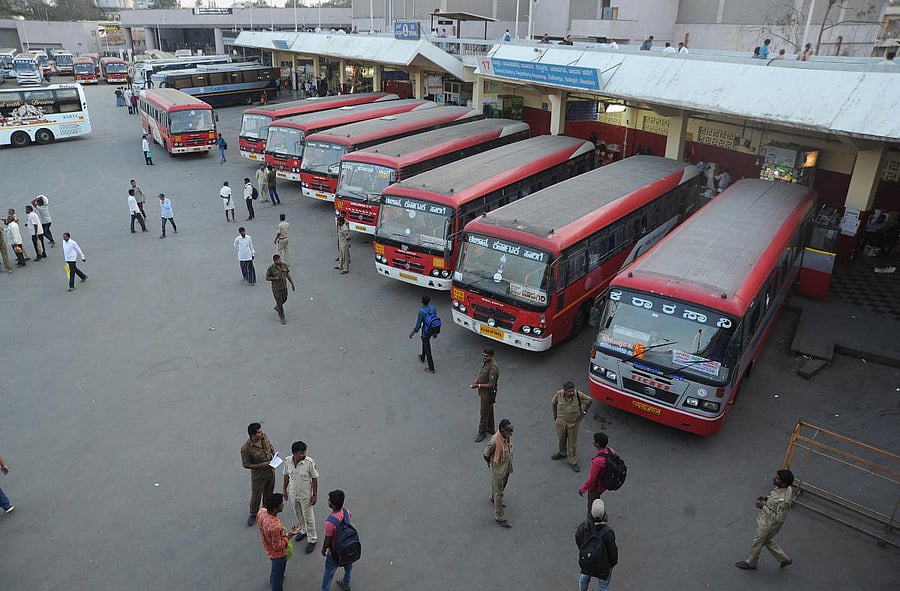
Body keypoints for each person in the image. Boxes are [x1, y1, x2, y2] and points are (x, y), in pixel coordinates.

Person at [735, 469, 795, 570]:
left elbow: (779, 518)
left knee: (757, 543)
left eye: (777, 479)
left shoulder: (783, 501)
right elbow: (775, 496)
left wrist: (763, 507)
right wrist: (767, 498)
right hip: (767, 523)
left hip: (768, 526)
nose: (774, 479)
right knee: (767, 541)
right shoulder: (786, 488)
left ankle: (751, 563)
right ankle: (784, 559)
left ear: (784, 483)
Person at [257, 493, 301, 591]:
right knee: (278, 574)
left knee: (275, 571)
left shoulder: (261, 512)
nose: (283, 505)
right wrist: (290, 535)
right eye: (281, 504)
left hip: (267, 545)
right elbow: (278, 546)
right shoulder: (275, 527)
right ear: (275, 509)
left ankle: (273, 579)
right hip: (278, 554)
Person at [283, 441, 319, 554]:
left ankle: (312, 539)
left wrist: (314, 495)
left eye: (304, 452)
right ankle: (303, 531)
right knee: (298, 513)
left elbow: (314, 478)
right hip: (293, 493)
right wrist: (284, 489)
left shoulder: (309, 463)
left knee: (309, 517)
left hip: (305, 495)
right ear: (294, 453)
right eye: (301, 453)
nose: (303, 455)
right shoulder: (287, 461)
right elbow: (286, 476)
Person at [575, 499, 618, 591]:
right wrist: (611, 565)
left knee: (584, 578)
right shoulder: (608, 533)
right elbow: (613, 553)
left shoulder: (584, 526)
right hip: (603, 565)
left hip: (588, 561)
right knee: (603, 586)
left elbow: (578, 540)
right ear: (604, 514)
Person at [551, 381, 593, 472]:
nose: (572, 393)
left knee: (572, 443)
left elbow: (589, 401)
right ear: (564, 391)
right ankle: (562, 453)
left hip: (573, 423)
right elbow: (553, 403)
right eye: (569, 391)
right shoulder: (559, 395)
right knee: (561, 439)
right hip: (561, 423)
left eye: (573, 390)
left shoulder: (578, 395)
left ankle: (573, 461)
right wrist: (555, 416)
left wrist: (583, 413)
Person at [241, 422, 276, 526]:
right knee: (256, 496)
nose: (262, 433)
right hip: (259, 476)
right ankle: (253, 513)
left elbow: (270, 445)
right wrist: (261, 465)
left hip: (270, 471)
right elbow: (246, 464)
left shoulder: (264, 437)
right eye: (259, 432)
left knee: (269, 492)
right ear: (253, 435)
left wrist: (274, 454)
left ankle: (266, 510)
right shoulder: (246, 449)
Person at [483, 418, 514, 528]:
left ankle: (493, 497)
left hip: (506, 468)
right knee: (499, 493)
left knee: (500, 487)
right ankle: (500, 517)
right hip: (498, 470)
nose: (511, 432)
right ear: (502, 430)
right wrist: (491, 465)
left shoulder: (508, 437)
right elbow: (486, 454)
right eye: (508, 430)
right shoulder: (494, 441)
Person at [321, 489, 354, 591]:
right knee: (348, 566)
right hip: (347, 547)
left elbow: (328, 539)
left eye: (329, 500)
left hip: (335, 551)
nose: (328, 501)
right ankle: (346, 583)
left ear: (333, 505)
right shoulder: (346, 512)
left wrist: (324, 549)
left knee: (329, 573)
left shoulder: (330, 522)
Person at [579, 432, 615, 519]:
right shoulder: (611, 451)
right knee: (597, 499)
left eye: (594, 441)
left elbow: (592, 479)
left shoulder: (598, 461)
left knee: (591, 506)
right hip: (606, 483)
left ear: (597, 444)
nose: (593, 442)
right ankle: (601, 514)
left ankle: (592, 522)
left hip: (597, 487)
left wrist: (583, 489)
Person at [471, 348, 500, 442]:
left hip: (488, 394)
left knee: (484, 413)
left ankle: (482, 432)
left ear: (491, 356)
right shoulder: (487, 363)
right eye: (483, 355)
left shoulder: (493, 368)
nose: (484, 358)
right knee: (489, 410)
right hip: (484, 393)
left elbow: (491, 384)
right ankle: (490, 427)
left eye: (486, 356)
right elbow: (482, 373)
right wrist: (477, 379)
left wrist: (478, 385)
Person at [409, 295, 437, 373]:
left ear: (422, 302)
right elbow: (434, 319)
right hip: (432, 330)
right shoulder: (432, 308)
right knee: (424, 342)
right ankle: (422, 357)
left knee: (427, 348)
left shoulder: (421, 312)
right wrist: (435, 333)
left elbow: (418, 325)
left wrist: (412, 333)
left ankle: (431, 368)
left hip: (426, 332)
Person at [266, 254, 295, 325]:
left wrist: (292, 283)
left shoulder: (284, 265)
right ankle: (282, 317)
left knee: (285, 299)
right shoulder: (271, 268)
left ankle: (278, 307)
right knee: (279, 302)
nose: (279, 261)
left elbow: (288, 275)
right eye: (278, 260)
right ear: (274, 261)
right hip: (276, 289)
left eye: (280, 259)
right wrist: (274, 278)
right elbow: (267, 278)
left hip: (284, 287)